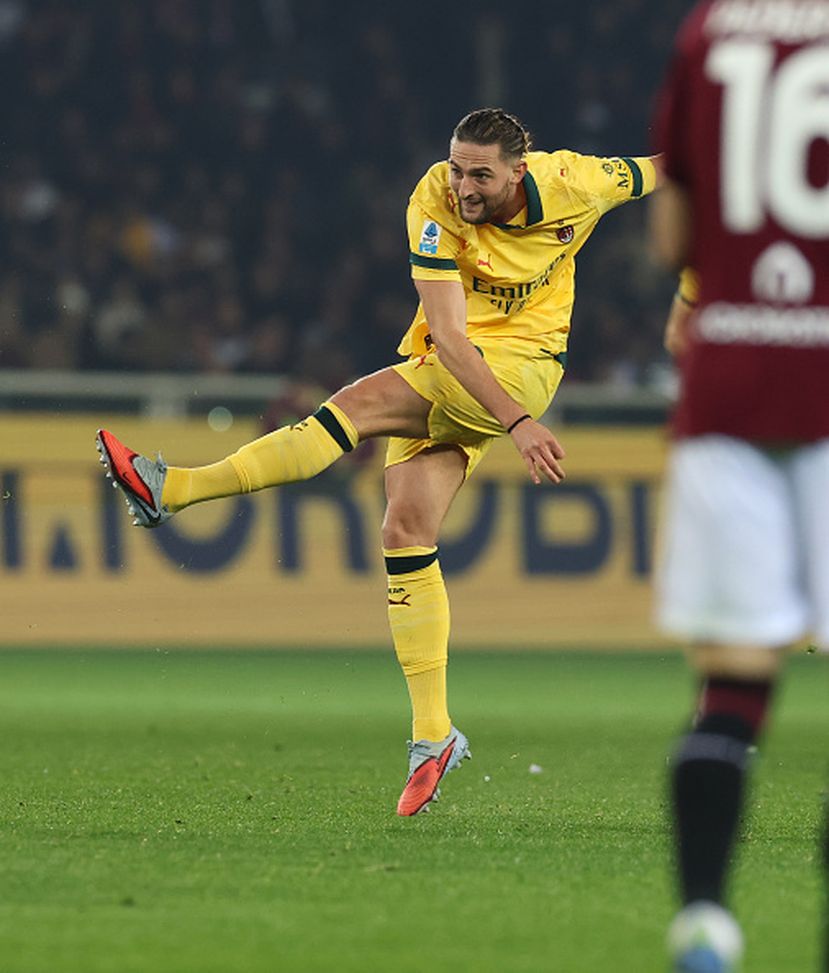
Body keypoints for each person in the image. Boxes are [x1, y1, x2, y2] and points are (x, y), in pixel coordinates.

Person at [97, 107, 659, 816]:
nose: (463, 184)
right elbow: (451, 337)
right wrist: (511, 424)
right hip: (454, 362)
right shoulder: (432, 200)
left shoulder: (576, 181)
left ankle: (172, 488)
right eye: (457, 166)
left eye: (480, 173)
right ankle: (433, 734)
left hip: (524, 373)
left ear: (520, 171)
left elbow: (665, 169)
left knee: (355, 408)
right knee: (404, 528)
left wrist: (519, 419)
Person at [650, 3, 829, 970]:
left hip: (727, 383)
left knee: (730, 681)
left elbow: (670, 230)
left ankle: (706, 921)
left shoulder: (707, 35)